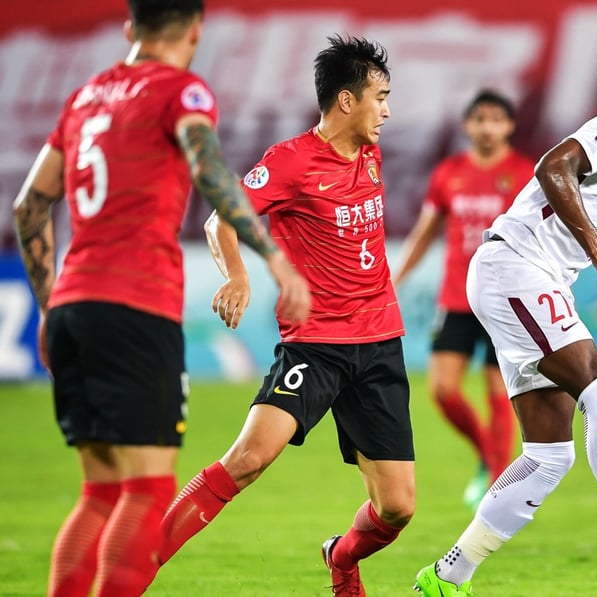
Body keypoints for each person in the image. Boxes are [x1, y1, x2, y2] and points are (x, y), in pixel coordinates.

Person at [11, 1, 311, 595]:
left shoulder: (84, 98)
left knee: (98, 492)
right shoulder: (182, 91)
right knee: (145, 490)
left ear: (130, 28)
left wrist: (49, 305)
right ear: (196, 30)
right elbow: (210, 168)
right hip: (135, 304)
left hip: (72, 303)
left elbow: (29, 206)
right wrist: (273, 255)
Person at [413, 69, 597, 597]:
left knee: (549, 455)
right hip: (517, 266)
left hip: (526, 275)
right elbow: (554, 166)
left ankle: (447, 577)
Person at [157, 35, 412, 597]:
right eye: (381, 97)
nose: (388, 110)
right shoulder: (289, 162)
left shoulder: (369, 151)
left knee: (396, 508)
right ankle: (135, 567)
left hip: (380, 345)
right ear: (347, 101)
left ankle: (340, 559)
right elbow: (220, 221)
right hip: (315, 346)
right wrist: (238, 275)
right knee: (245, 462)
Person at [392, 90, 534, 507]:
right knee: (442, 389)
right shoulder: (449, 173)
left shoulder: (524, 174)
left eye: (496, 119)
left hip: (505, 299)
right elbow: (424, 232)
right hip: (455, 298)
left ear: (509, 126)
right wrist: (394, 278)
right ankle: (488, 455)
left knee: (498, 389)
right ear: (467, 125)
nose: (488, 127)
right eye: (480, 119)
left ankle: (496, 484)